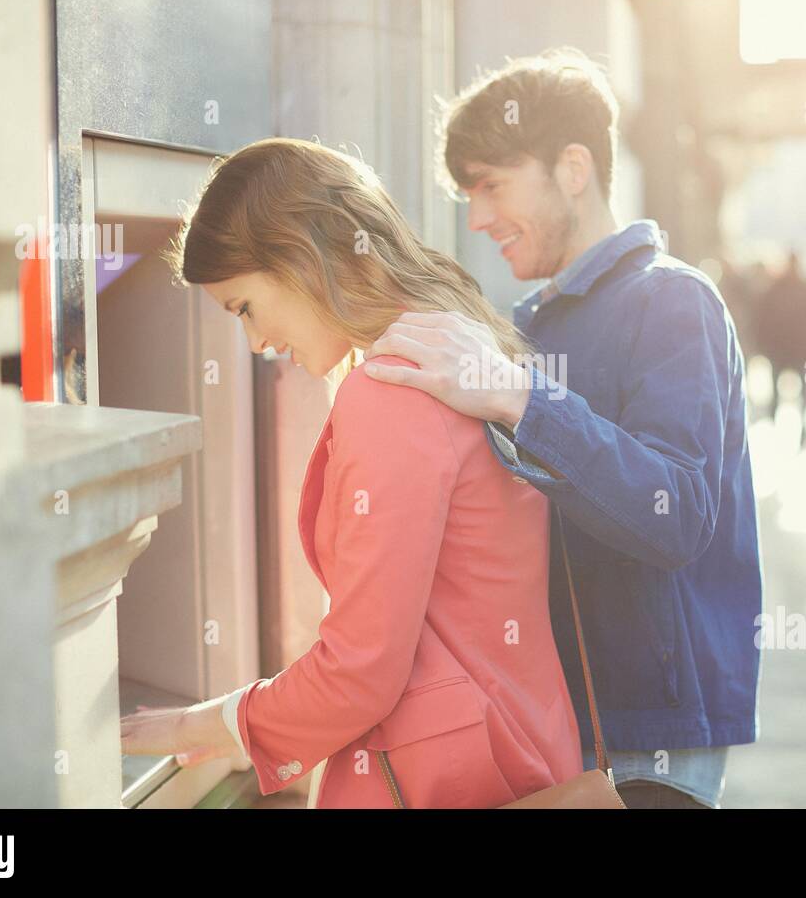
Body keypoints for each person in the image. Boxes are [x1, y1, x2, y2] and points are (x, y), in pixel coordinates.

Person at [119, 138, 584, 808]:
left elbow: (360, 672)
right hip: (515, 751)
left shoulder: (392, 389)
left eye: (245, 307)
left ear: (301, 257)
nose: (255, 344)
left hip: (446, 784)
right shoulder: (451, 342)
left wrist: (204, 724)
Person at [363, 48, 763, 809]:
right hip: (540, 721)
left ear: (573, 168)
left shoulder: (673, 302)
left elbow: (673, 512)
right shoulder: (518, 327)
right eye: (467, 192)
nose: (477, 218)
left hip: (649, 742)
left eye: (491, 184)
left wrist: (518, 396)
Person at [757, 251, 806, 433]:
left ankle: (776, 423)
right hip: (799, 350)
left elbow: (763, 318)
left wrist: (763, 344)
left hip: (783, 348)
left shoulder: (776, 288)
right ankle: (800, 425)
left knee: (780, 388)